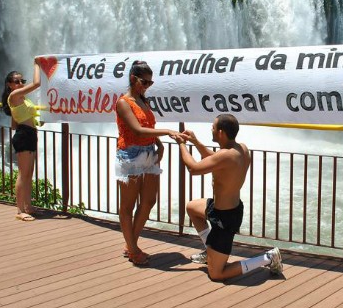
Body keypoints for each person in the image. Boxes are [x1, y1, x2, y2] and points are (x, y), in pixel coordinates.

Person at [173, 113, 283, 281]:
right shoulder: (240, 149)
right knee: (191, 207)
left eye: (214, 127)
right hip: (221, 208)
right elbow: (214, 159)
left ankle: (268, 258)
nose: (211, 128)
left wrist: (181, 144)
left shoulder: (226, 155)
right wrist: (195, 142)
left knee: (217, 274)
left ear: (221, 133)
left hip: (225, 219)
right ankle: (209, 250)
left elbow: (194, 169)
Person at [116, 61, 180, 266]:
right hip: (130, 154)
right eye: (145, 82)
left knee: (149, 201)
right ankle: (133, 250)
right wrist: (167, 132)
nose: (147, 86)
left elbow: (148, 127)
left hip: (148, 152)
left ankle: (131, 244)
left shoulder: (144, 100)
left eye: (150, 83)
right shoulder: (124, 102)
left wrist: (159, 143)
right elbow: (137, 130)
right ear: (133, 79)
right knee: (127, 205)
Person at [1, 61, 42, 221]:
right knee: (23, 174)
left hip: (29, 133)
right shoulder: (14, 95)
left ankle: (28, 206)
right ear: (9, 84)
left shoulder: (21, 98)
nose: (19, 84)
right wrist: (37, 64)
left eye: (21, 81)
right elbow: (37, 83)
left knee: (29, 173)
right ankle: (19, 210)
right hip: (24, 135)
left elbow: (14, 123)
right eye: (16, 81)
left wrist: (34, 121)